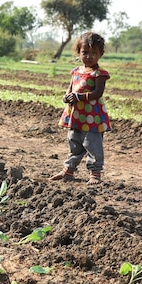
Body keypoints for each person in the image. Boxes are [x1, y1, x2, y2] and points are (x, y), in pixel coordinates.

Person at [50, 32, 111, 185]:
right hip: (76, 114)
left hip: (92, 116)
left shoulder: (99, 74)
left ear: (100, 54)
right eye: (85, 52)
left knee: (92, 144)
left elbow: (98, 93)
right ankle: (68, 170)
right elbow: (70, 88)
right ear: (78, 52)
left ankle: (95, 173)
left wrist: (79, 97)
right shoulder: (76, 71)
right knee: (74, 141)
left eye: (93, 53)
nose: (89, 56)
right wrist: (67, 96)